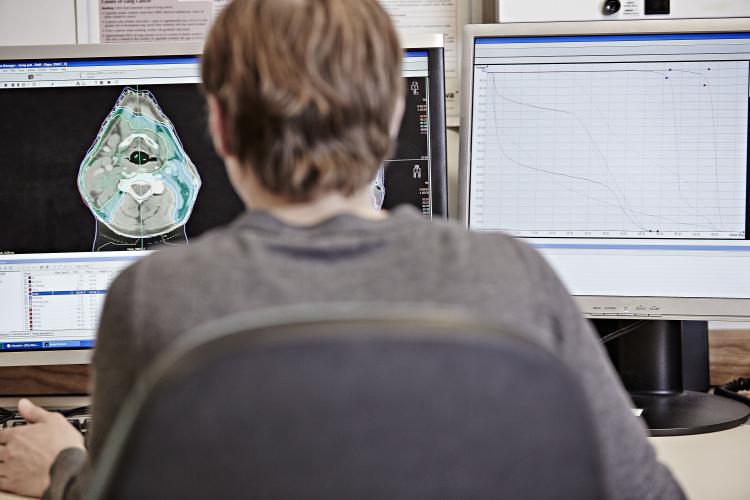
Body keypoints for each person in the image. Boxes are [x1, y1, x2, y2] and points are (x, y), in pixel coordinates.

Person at [0, 1, 684, 499]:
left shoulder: (153, 297)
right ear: (393, 116)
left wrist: (63, 466)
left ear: (218, 124)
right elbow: (648, 495)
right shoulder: (513, 276)